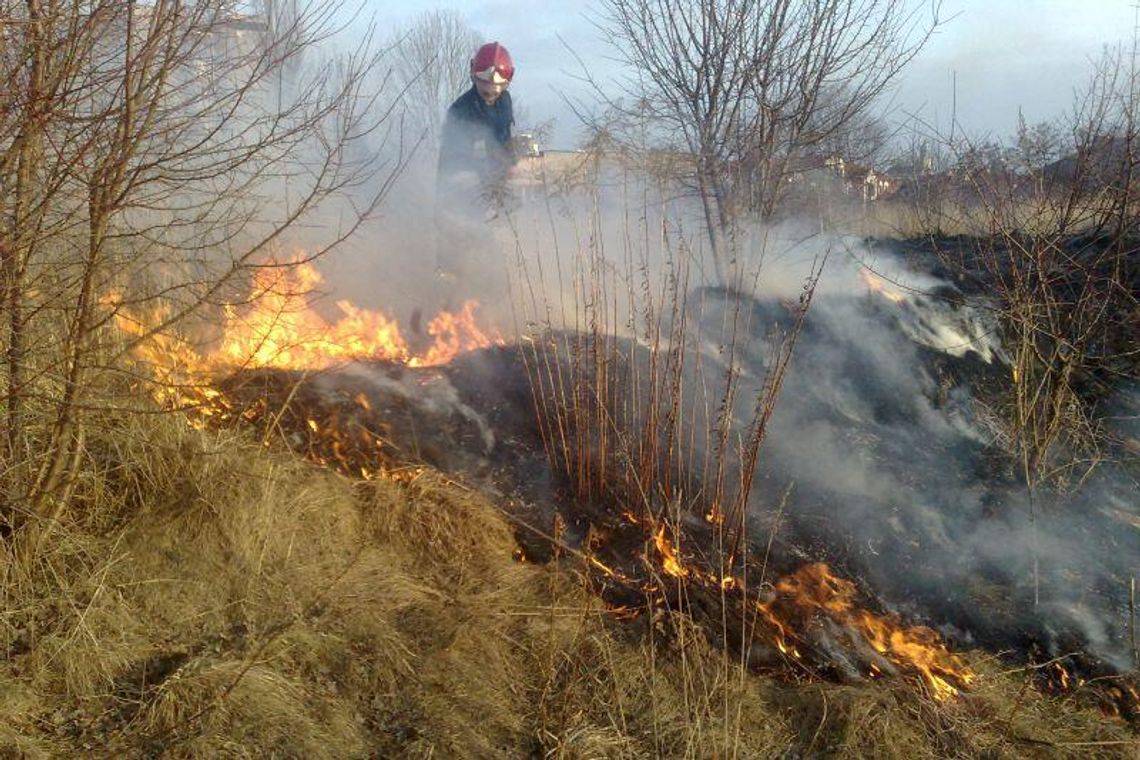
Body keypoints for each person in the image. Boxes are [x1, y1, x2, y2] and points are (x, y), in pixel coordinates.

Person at [437, 41, 517, 214]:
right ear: (473, 75)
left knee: (512, 210)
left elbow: (505, 137)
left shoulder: (505, 102)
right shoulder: (461, 111)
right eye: (485, 89)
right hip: (461, 185)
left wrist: (510, 163)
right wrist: (483, 175)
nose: (491, 93)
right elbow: (453, 160)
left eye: (497, 90)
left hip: (494, 182)